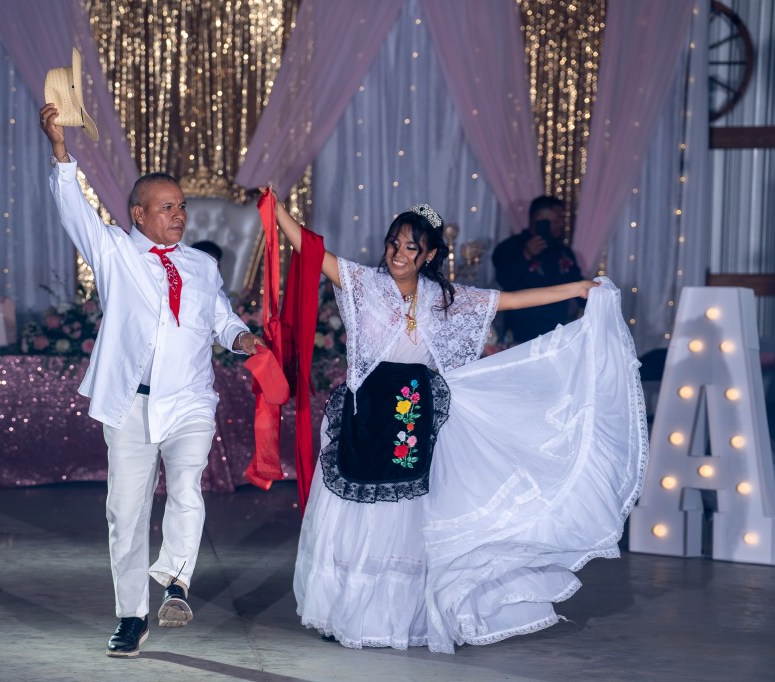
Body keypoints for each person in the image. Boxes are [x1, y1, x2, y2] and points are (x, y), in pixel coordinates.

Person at [263, 189, 646, 653]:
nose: (398, 254)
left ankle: (399, 620)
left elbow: (511, 300)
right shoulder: (364, 284)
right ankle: (347, 613)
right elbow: (311, 250)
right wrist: (277, 208)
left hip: (415, 416)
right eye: (393, 243)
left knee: (404, 522)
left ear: (428, 255)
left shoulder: (445, 299)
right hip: (368, 415)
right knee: (358, 518)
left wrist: (579, 288)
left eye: (411, 247)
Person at [40, 103, 265, 658]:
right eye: (167, 207)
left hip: (189, 399)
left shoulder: (202, 266)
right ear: (139, 214)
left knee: (187, 487)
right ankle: (131, 616)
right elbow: (75, 212)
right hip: (131, 405)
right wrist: (61, 151)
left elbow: (221, 320)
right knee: (126, 512)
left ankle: (177, 581)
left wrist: (242, 338)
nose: (179, 215)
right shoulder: (114, 251)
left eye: (181, 206)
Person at [492, 196, 584, 344]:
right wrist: (526, 255)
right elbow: (504, 281)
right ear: (540, 219)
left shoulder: (563, 252)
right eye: (557, 219)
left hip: (556, 335)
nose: (562, 224)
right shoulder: (510, 247)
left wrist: (597, 296)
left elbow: (577, 283)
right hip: (518, 336)